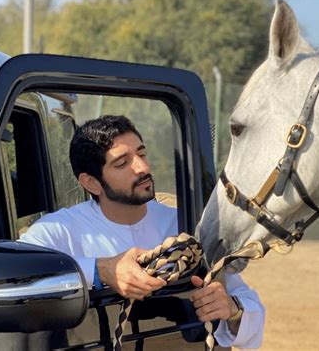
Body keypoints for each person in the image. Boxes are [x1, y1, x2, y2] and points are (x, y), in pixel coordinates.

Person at [20, 115, 264, 348]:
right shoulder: (58, 230)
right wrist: (101, 270)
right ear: (92, 183)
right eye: (122, 163)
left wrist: (232, 309)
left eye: (142, 153)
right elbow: (20, 278)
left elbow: (251, 312)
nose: (142, 167)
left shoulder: (187, 226)